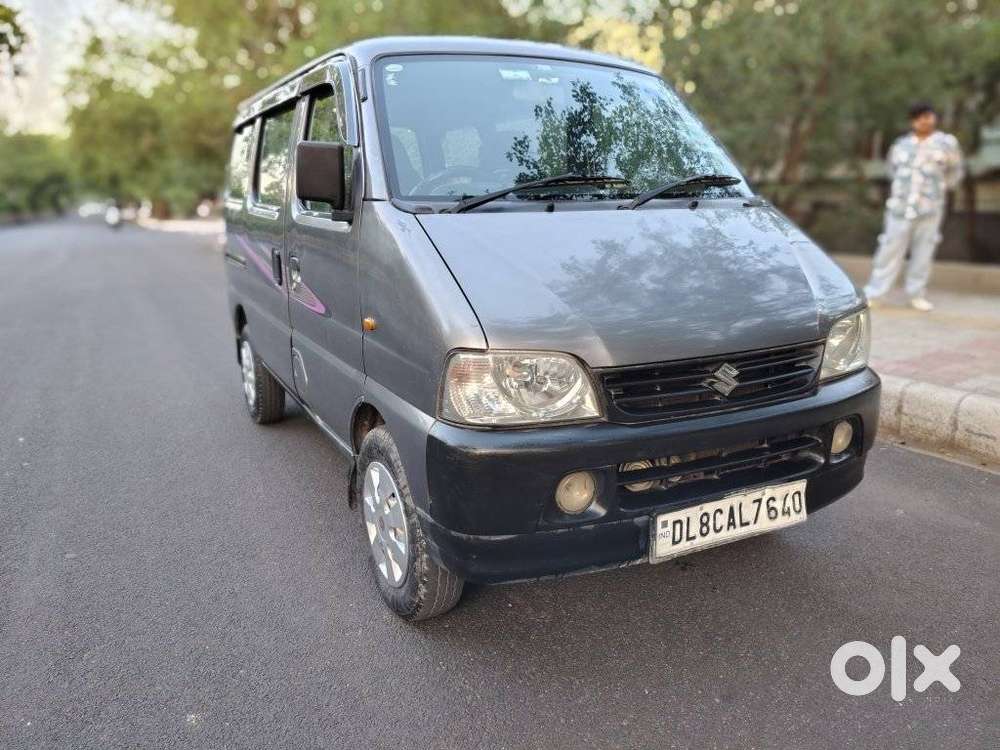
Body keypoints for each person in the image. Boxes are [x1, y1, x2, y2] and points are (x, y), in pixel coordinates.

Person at [863, 102, 963, 311]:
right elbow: (892, 170)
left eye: (928, 116)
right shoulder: (900, 145)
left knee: (924, 251)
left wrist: (942, 188)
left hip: (930, 208)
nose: (924, 120)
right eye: (919, 117)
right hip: (899, 208)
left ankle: (916, 295)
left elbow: (955, 171)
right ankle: (874, 292)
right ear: (912, 121)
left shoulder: (946, 143)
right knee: (889, 249)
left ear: (934, 118)